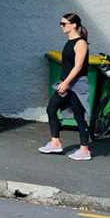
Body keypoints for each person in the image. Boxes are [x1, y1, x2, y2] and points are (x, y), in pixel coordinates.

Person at [39, 13, 92, 161]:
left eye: (64, 23)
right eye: (61, 24)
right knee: (51, 109)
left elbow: (78, 66)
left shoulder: (80, 43)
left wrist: (66, 83)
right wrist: (65, 82)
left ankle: (84, 150)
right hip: (67, 83)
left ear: (74, 25)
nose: (61, 26)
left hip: (76, 84)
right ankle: (55, 142)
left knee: (79, 116)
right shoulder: (69, 41)